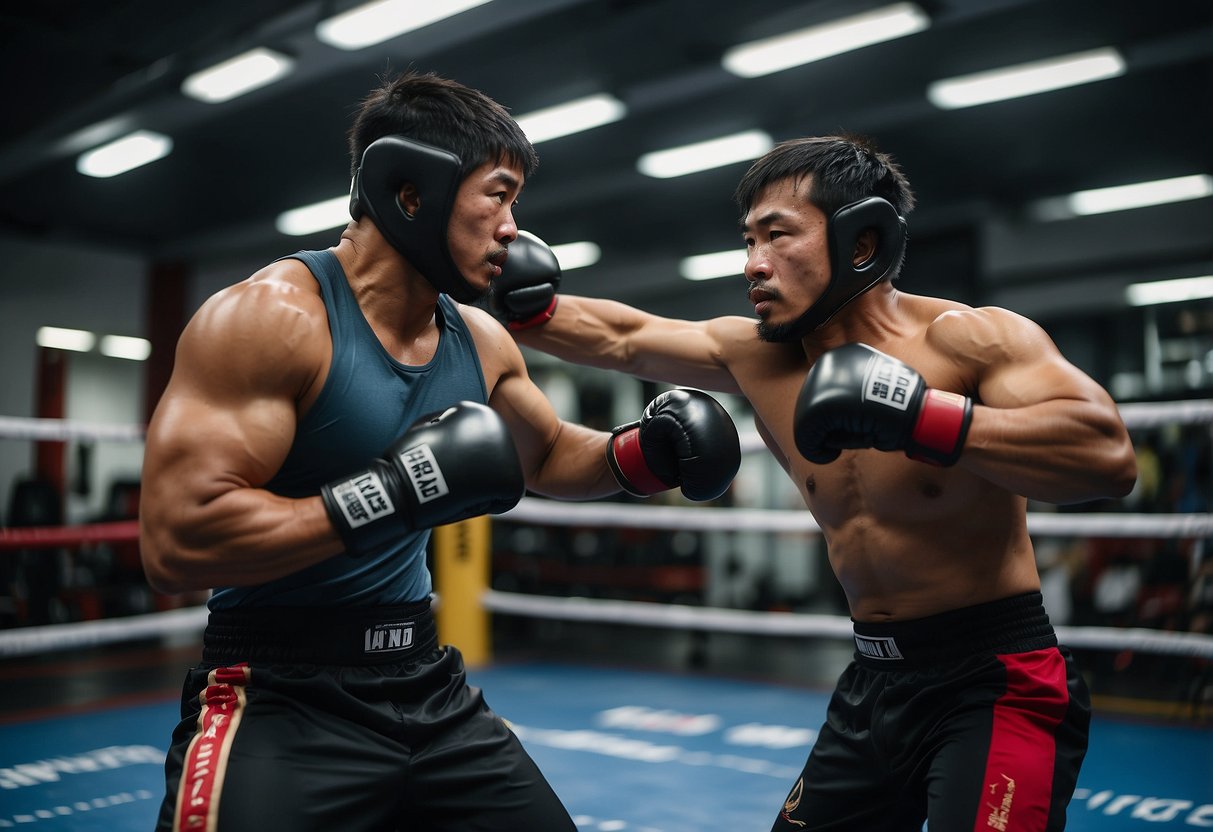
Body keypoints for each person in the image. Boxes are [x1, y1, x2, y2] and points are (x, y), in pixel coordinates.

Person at [138, 70, 741, 832]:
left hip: (424, 683)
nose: (514, 226)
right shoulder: (270, 319)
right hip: (279, 691)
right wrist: (393, 491)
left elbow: (547, 453)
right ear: (410, 191)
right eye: (497, 193)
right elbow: (176, 543)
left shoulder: (479, 337)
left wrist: (643, 455)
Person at [494, 134, 1138, 831]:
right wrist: (528, 308)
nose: (753, 265)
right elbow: (625, 336)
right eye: (747, 242)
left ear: (860, 242)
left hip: (995, 681)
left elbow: (1105, 455)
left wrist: (918, 415)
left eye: (777, 237)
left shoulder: (967, 339)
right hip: (871, 681)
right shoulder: (757, 357)